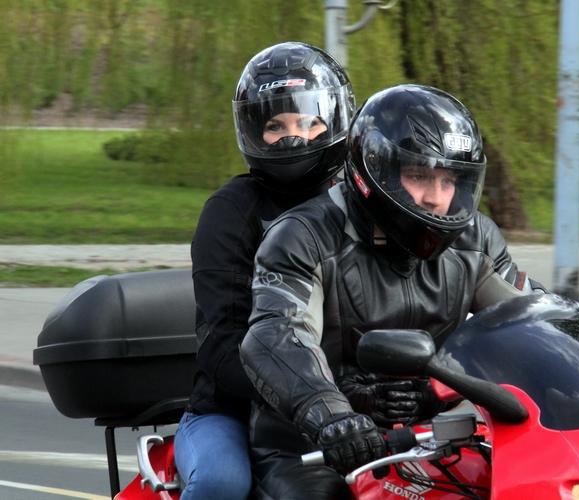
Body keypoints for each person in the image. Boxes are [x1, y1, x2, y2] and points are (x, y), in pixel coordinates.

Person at [239, 83, 546, 499]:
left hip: (435, 439)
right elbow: (276, 336)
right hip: (312, 448)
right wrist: (333, 415)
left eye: (449, 180)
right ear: (375, 172)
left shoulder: (476, 240)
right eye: (419, 176)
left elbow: (533, 321)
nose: (436, 199)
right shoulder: (302, 237)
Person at [173, 41, 355, 500]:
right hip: (231, 410)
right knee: (221, 483)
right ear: (253, 132)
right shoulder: (231, 211)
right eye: (276, 126)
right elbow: (221, 350)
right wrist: (313, 395)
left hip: (346, 407)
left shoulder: (359, 208)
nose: (294, 138)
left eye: (309, 122)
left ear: (335, 122)